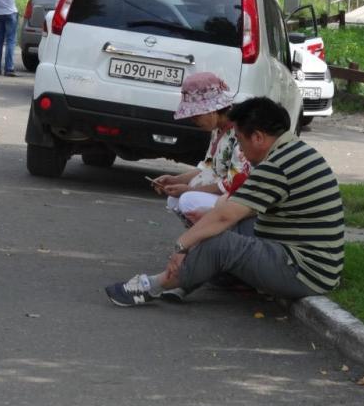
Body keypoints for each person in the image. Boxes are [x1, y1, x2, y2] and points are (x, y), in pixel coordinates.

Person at [105, 97, 345, 307]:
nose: (239, 149)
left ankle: (155, 285)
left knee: (221, 241)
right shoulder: (294, 152)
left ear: (258, 137)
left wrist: (181, 247)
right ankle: (188, 280)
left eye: (240, 141)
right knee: (221, 232)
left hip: (305, 272)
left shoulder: (277, 166)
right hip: (313, 264)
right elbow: (235, 213)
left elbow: (225, 215)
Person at [151, 73, 251, 227]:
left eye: (196, 115)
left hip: (236, 199)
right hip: (222, 194)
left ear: (212, 110)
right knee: (175, 199)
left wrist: (188, 189)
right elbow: (208, 165)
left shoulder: (238, 133)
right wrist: (176, 180)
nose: (193, 120)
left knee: (187, 200)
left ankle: (204, 240)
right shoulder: (218, 129)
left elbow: (233, 182)